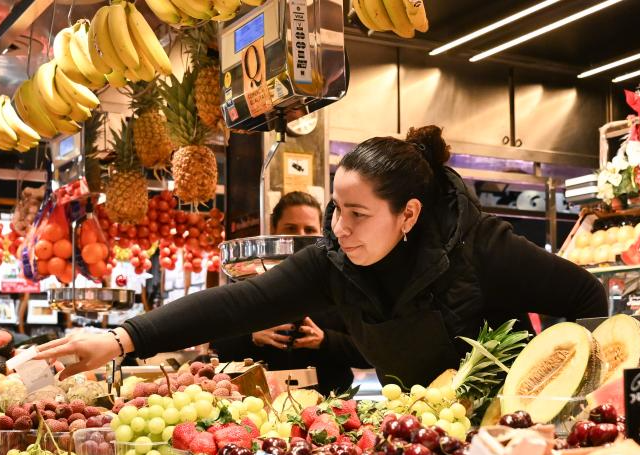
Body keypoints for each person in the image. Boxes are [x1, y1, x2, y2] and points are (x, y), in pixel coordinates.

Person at [37, 126, 607, 388]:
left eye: (358, 214)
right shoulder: (334, 261)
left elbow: (587, 295)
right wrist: (121, 339)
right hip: (425, 437)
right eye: (336, 208)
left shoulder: (482, 247)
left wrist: (566, 389)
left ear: (408, 215)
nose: (339, 228)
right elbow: (239, 304)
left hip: (510, 436)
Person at [210, 191, 367, 393]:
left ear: (321, 232)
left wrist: (325, 340)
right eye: (291, 228)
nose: (299, 236)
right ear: (274, 230)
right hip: (257, 404)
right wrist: (252, 336)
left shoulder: (341, 284)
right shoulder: (250, 282)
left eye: (308, 229)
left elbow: (369, 354)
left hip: (331, 405)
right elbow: (217, 347)